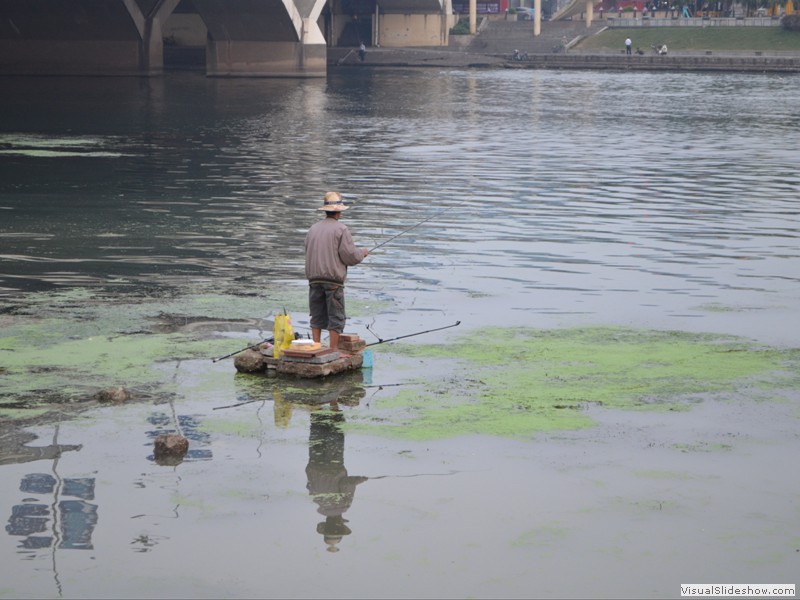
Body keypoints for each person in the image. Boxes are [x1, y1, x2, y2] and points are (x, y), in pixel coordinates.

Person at [304, 191, 368, 351]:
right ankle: (333, 350)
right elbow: (350, 256)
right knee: (336, 316)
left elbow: (307, 250)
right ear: (339, 211)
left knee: (317, 315)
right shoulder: (341, 229)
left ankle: (316, 347)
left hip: (314, 279)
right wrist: (363, 253)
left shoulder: (313, 229)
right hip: (333, 280)